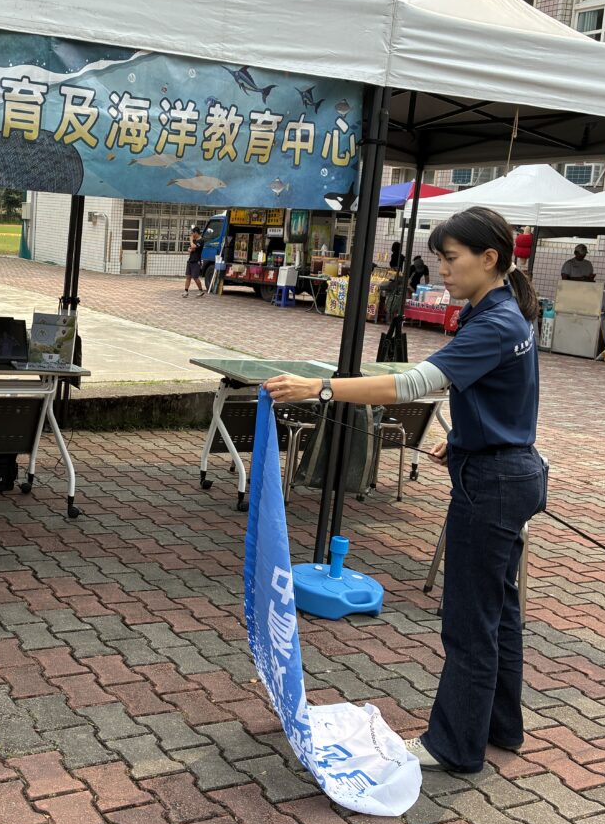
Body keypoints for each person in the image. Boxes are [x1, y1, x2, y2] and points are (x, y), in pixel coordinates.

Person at [262, 206, 545, 774]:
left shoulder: (495, 323)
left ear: (490, 258)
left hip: (494, 482)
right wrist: (464, 440)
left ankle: (454, 746)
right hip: (504, 469)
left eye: (451, 258)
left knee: (470, 622)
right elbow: (501, 398)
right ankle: (499, 727)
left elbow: (412, 384)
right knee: (499, 612)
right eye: (440, 258)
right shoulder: (500, 313)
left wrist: (320, 387)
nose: (443, 269)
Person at [184, 228, 206, 297]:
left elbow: (193, 247)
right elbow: (190, 248)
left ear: (196, 232)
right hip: (190, 260)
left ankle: (201, 290)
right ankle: (186, 291)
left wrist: (191, 240)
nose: (192, 235)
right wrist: (191, 248)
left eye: (192, 233)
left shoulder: (201, 240)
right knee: (188, 276)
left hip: (196, 261)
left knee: (195, 277)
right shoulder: (194, 240)